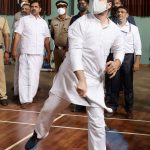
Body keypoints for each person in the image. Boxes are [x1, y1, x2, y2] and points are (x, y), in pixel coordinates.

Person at [25, 0, 124, 149]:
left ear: (109, 5)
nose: (95, 2)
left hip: (94, 81)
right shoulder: (80, 23)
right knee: (49, 109)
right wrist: (81, 80)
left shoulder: (115, 29)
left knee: (97, 123)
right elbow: (75, 53)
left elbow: (119, 48)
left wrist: (117, 62)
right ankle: (39, 133)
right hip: (70, 77)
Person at [12, 0, 51, 109]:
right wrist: (14, 50)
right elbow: (17, 35)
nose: (34, 8)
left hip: (38, 54)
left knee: (34, 77)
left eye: (36, 6)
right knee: (24, 77)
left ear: (40, 9)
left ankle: (30, 97)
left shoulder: (43, 22)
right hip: (25, 53)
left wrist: (48, 53)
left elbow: (46, 40)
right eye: (32, 6)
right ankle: (25, 100)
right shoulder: (23, 20)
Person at [105, 6, 142, 119]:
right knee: (113, 84)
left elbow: (138, 47)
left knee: (128, 85)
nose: (120, 14)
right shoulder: (112, 27)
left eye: (122, 12)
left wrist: (137, 62)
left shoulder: (133, 28)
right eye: (118, 12)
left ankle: (129, 109)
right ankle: (112, 107)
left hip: (128, 58)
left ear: (127, 15)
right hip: (114, 57)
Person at [70, 0, 90, 112]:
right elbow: (70, 35)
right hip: (76, 52)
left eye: (83, 3)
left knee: (88, 78)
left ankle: (88, 102)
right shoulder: (74, 19)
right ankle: (78, 103)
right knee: (77, 79)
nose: (80, 5)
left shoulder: (92, 18)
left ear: (87, 4)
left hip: (88, 53)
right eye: (79, 3)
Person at [12, 2, 31, 102]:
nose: (24, 10)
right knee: (17, 70)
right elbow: (14, 35)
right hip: (19, 47)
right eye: (23, 8)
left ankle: (28, 92)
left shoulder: (33, 20)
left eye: (26, 8)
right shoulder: (17, 17)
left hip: (29, 49)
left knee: (28, 71)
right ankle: (17, 92)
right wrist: (13, 50)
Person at [51, 0, 71, 72]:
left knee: (67, 71)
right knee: (58, 71)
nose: (61, 8)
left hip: (67, 50)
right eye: (59, 7)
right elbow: (52, 34)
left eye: (62, 7)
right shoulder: (53, 20)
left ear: (66, 8)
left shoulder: (71, 20)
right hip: (57, 50)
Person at [0, 16, 10, 106]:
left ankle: (3, 96)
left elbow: (6, 35)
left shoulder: (2, 19)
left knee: (0, 73)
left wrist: (7, 51)